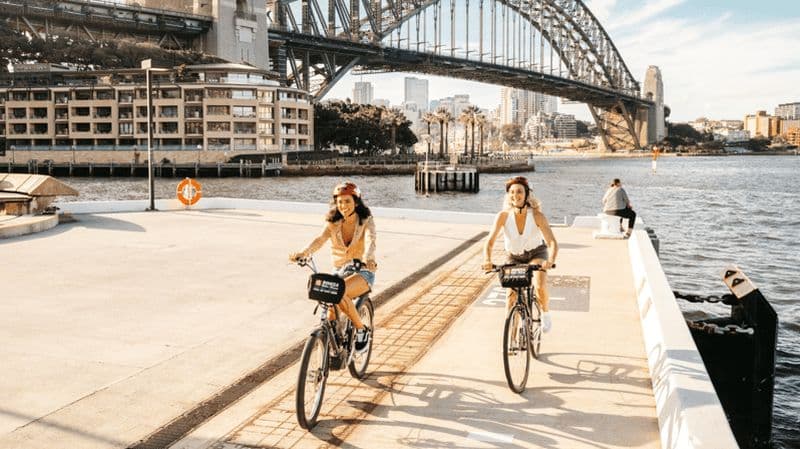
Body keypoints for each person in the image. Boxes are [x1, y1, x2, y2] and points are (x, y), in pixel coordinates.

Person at [289, 182, 377, 353]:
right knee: (330, 312)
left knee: (340, 293)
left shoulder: (366, 221)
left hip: (362, 271)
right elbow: (320, 239)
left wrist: (369, 258)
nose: (343, 206)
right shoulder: (333, 222)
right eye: (340, 202)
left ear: (356, 202)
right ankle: (331, 349)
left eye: (347, 201)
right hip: (339, 272)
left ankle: (361, 330)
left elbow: (370, 240)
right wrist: (303, 252)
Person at [482, 176, 559, 332]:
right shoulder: (503, 216)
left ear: (526, 195)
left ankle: (545, 313)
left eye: (519, 192)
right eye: (511, 192)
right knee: (511, 295)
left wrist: (550, 260)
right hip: (513, 256)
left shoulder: (537, 215)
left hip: (536, 253)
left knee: (539, 285)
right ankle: (512, 334)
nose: (515, 195)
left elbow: (552, 242)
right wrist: (487, 260)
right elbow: (489, 242)